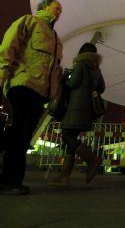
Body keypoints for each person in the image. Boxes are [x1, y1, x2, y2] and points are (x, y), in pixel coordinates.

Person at [0, 0, 63, 195]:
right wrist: (2, 75)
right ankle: (10, 181)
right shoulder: (29, 21)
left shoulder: (55, 37)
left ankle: (11, 179)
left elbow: (54, 69)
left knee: (23, 135)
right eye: (57, 7)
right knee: (20, 132)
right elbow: (8, 47)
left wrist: (52, 95)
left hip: (40, 91)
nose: (60, 11)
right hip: (23, 83)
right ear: (44, 7)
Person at [49, 42, 105, 187]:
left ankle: (91, 158)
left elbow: (73, 83)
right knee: (71, 140)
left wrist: (64, 79)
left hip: (75, 106)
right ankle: (64, 176)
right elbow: (102, 87)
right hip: (86, 108)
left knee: (66, 135)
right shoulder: (96, 68)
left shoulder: (81, 64)